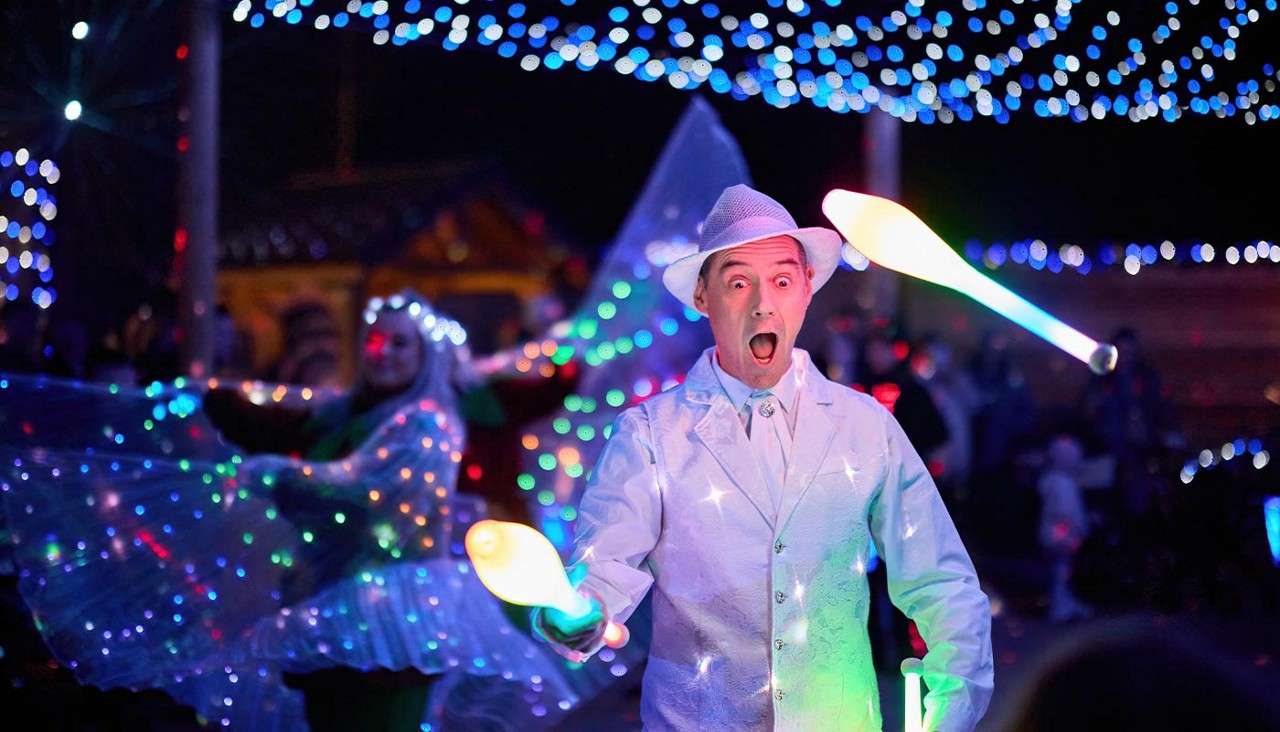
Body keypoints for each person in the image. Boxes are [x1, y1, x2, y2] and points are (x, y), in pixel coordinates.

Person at [2, 291, 576, 731]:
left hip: (391, 613)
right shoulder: (344, 414)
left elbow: (364, 489)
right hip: (320, 601)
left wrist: (275, 474)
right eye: (377, 339)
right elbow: (271, 424)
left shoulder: (425, 423)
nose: (386, 352)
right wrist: (194, 403)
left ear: (426, 356)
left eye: (402, 343)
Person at [532, 185, 993, 731]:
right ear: (703, 298)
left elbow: (940, 580)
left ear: (807, 289)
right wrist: (574, 613)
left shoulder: (865, 427)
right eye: (737, 282)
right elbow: (601, 570)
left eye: (781, 280)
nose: (762, 303)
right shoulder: (651, 434)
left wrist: (953, 703)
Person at [1036, 435, 1094, 623]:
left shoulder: (1053, 481)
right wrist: (1076, 529)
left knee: (1062, 572)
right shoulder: (1062, 483)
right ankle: (1060, 607)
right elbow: (1066, 511)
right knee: (1060, 572)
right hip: (1060, 535)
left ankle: (1064, 604)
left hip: (1058, 534)